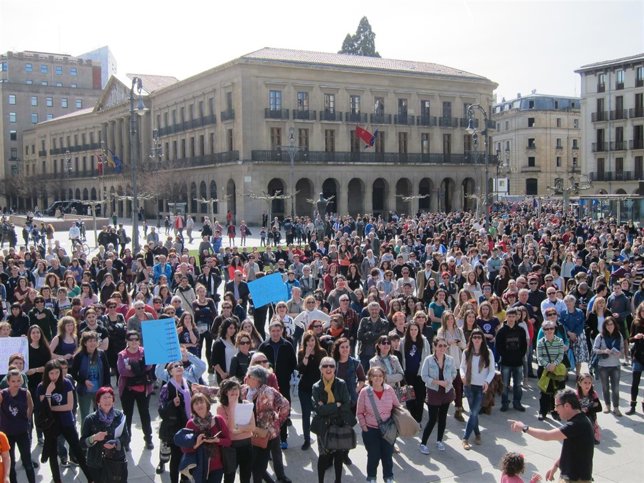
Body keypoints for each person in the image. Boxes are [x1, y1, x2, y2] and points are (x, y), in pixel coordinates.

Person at [509, 388, 594, 483]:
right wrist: (556, 465)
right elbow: (573, 450)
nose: (555, 409)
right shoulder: (580, 420)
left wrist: (524, 427)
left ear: (567, 406)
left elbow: (546, 436)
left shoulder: (576, 424)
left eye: (557, 406)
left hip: (575, 479)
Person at [37, 359, 93, 482]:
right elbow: (45, 408)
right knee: (52, 454)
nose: (54, 376)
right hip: (51, 424)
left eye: (57, 373)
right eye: (51, 373)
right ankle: (57, 479)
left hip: (66, 422)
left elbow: (69, 406)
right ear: (47, 373)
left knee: (77, 450)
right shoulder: (42, 387)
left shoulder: (67, 383)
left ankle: (90, 477)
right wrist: (48, 393)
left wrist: (52, 407)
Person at [241, 365, 291, 483]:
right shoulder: (244, 389)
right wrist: (201, 389)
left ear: (257, 380)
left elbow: (285, 405)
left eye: (248, 376)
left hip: (266, 436)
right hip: (251, 434)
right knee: (255, 466)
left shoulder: (268, 391)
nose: (245, 377)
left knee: (257, 469)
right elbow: (224, 390)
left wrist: (277, 423)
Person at [311, 356, 356, 483]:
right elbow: (318, 410)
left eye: (331, 365)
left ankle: (338, 480)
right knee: (323, 457)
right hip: (324, 426)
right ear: (321, 369)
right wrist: (336, 405)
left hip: (339, 424)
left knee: (339, 456)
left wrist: (326, 407)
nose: (328, 368)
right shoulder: (316, 387)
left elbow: (347, 405)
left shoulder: (341, 384)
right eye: (325, 366)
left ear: (335, 369)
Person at [356, 366, 400, 483]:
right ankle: (371, 478)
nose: (377, 378)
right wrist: (364, 427)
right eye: (374, 376)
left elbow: (397, 407)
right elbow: (359, 412)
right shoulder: (365, 392)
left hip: (388, 430)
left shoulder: (389, 390)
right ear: (370, 377)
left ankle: (388, 477)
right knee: (373, 456)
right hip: (371, 430)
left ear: (384, 377)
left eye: (380, 376)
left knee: (387, 455)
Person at [257, 321, 297, 449]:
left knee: (282, 411)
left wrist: (285, 374)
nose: (275, 333)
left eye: (278, 331)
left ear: (282, 331)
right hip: (266, 385)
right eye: (273, 331)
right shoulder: (264, 346)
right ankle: (267, 440)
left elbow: (293, 363)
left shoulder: (287, 345)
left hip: (283, 384)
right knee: (267, 413)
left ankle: (283, 438)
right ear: (269, 331)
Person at [177, 392, 232, 483]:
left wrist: (217, 440)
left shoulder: (218, 420)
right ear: (193, 408)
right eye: (196, 403)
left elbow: (228, 441)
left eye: (201, 402)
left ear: (207, 403)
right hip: (199, 467)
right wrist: (196, 444)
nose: (199, 405)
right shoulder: (191, 424)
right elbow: (184, 448)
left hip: (217, 466)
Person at [80, 386, 130, 483]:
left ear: (113, 401)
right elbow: (82, 443)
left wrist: (116, 443)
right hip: (96, 462)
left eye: (110, 397)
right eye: (104, 398)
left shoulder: (119, 416)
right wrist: (94, 438)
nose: (107, 400)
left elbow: (126, 438)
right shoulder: (90, 419)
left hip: (116, 461)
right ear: (98, 402)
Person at [419, 336, 458, 454]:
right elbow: (424, 376)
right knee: (432, 419)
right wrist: (437, 382)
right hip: (433, 392)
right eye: (440, 345)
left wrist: (449, 380)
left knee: (443, 417)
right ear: (434, 347)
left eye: (444, 346)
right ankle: (423, 443)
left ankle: (439, 441)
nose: (442, 348)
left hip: (446, 391)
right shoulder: (429, 360)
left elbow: (454, 372)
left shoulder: (450, 359)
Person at [117, 330, 155, 450]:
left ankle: (148, 439)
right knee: (127, 415)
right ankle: (126, 441)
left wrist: (132, 367)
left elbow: (149, 366)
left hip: (143, 389)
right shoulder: (122, 355)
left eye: (136, 339)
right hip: (128, 389)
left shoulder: (145, 352)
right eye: (131, 339)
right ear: (127, 341)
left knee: (145, 414)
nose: (134, 342)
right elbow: (122, 371)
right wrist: (139, 368)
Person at [459, 328, 495, 450]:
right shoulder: (466, 352)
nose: (477, 339)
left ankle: (465, 438)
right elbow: (462, 367)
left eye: (479, 337)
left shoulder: (488, 352)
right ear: (471, 339)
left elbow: (492, 370)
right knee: (473, 414)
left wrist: (487, 381)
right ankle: (478, 434)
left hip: (481, 387)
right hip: (468, 386)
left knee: (474, 412)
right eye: (474, 337)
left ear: (482, 339)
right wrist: (462, 375)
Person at [158, 361, 193, 483]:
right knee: (176, 457)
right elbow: (161, 411)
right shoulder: (167, 387)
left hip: (188, 425)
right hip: (174, 428)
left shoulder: (187, 383)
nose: (179, 367)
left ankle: (184, 478)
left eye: (180, 365)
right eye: (175, 366)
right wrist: (172, 403)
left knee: (187, 455)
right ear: (170, 372)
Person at [216, 378, 255, 483]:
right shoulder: (221, 408)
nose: (233, 392)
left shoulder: (247, 404)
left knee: (246, 477)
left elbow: (252, 427)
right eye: (230, 389)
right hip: (231, 448)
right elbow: (231, 429)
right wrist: (232, 406)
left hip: (247, 445)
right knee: (229, 478)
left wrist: (239, 429)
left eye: (235, 388)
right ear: (225, 392)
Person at [0, 368, 35, 483]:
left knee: (27, 461)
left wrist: (27, 419)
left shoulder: (25, 393)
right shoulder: (2, 394)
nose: (16, 383)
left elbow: (31, 406)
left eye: (18, 380)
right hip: (7, 433)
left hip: (22, 432)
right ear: (8, 382)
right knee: (11, 462)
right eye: (13, 381)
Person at [70, 331, 111, 423]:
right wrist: (84, 381)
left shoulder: (101, 354)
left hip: (99, 390)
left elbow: (106, 371)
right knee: (85, 416)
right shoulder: (79, 356)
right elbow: (73, 373)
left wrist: (107, 387)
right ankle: (85, 436)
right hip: (85, 391)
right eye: (90, 341)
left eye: (94, 341)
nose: (92, 343)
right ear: (85, 343)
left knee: (101, 414)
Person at [297, 331, 327, 450]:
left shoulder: (322, 352)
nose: (310, 343)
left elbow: (326, 369)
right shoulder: (301, 353)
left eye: (312, 340)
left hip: (319, 389)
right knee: (306, 415)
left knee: (321, 414)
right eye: (308, 341)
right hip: (304, 388)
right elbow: (301, 370)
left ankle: (322, 439)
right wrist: (306, 356)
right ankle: (307, 439)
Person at [496, 308, 528, 412]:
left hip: (518, 362)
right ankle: (505, 403)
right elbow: (499, 347)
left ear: (516, 317)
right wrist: (505, 356)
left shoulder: (521, 330)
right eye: (509, 316)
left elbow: (524, 345)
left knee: (518, 384)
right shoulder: (501, 331)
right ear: (506, 317)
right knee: (505, 384)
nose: (511, 319)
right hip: (505, 362)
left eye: (513, 316)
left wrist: (520, 356)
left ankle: (517, 402)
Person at [400, 321, 431, 423]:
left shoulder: (424, 341)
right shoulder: (403, 341)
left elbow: (428, 357)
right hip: (407, 374)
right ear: (408, 330)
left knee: (420, 397)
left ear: (419, 330)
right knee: (409, 398)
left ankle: (418, 420)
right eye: (411, 330)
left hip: (420, 374)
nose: (413, 332)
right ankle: (412, 419)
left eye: (415, 329)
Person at [593, 316, 624, 416]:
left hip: (615, 365)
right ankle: (607, 405)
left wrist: (620, 353)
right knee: (605, 387)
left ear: (615, 325)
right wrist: (603, 351)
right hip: (603, 365)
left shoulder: (618, 335)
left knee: (616, 388)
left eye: (611, 324)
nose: (610, 326)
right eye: (607, 324)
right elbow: (594, 349)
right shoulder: (600, 336)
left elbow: (623, 348)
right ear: (604, 326)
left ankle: (616, 407)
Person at [536, 318, 566, 421]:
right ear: (543, 330)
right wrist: (548, 365)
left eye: (551, 328)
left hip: (557, 370)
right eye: (546, 328)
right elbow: (539, 356)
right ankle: (542, 411)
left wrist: (554, 364)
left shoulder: (559, 341)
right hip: (544, 370)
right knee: (544, 392)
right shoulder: (540, 342)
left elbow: (561, 355)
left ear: (554, 329)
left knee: (556, 392)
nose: (549, 330)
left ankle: (555, 411)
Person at [627, 302, 644, 415]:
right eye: (643, 311)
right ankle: (633, 405)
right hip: (637, 356)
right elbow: (630, 339)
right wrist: (635, 337)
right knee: (635, 383)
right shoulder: (635, 322)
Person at [577, 372, 602, 444]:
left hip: (590, 414)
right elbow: (573, 408)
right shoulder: (576, 395)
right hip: (579, 414)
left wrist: (588, 408)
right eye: (585, 383)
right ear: (579, 383)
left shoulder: (593, 394)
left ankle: (592, 437)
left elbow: (598, 407)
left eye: (589, 383)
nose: (587, 385)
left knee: (592, 423)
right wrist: (581, 410)